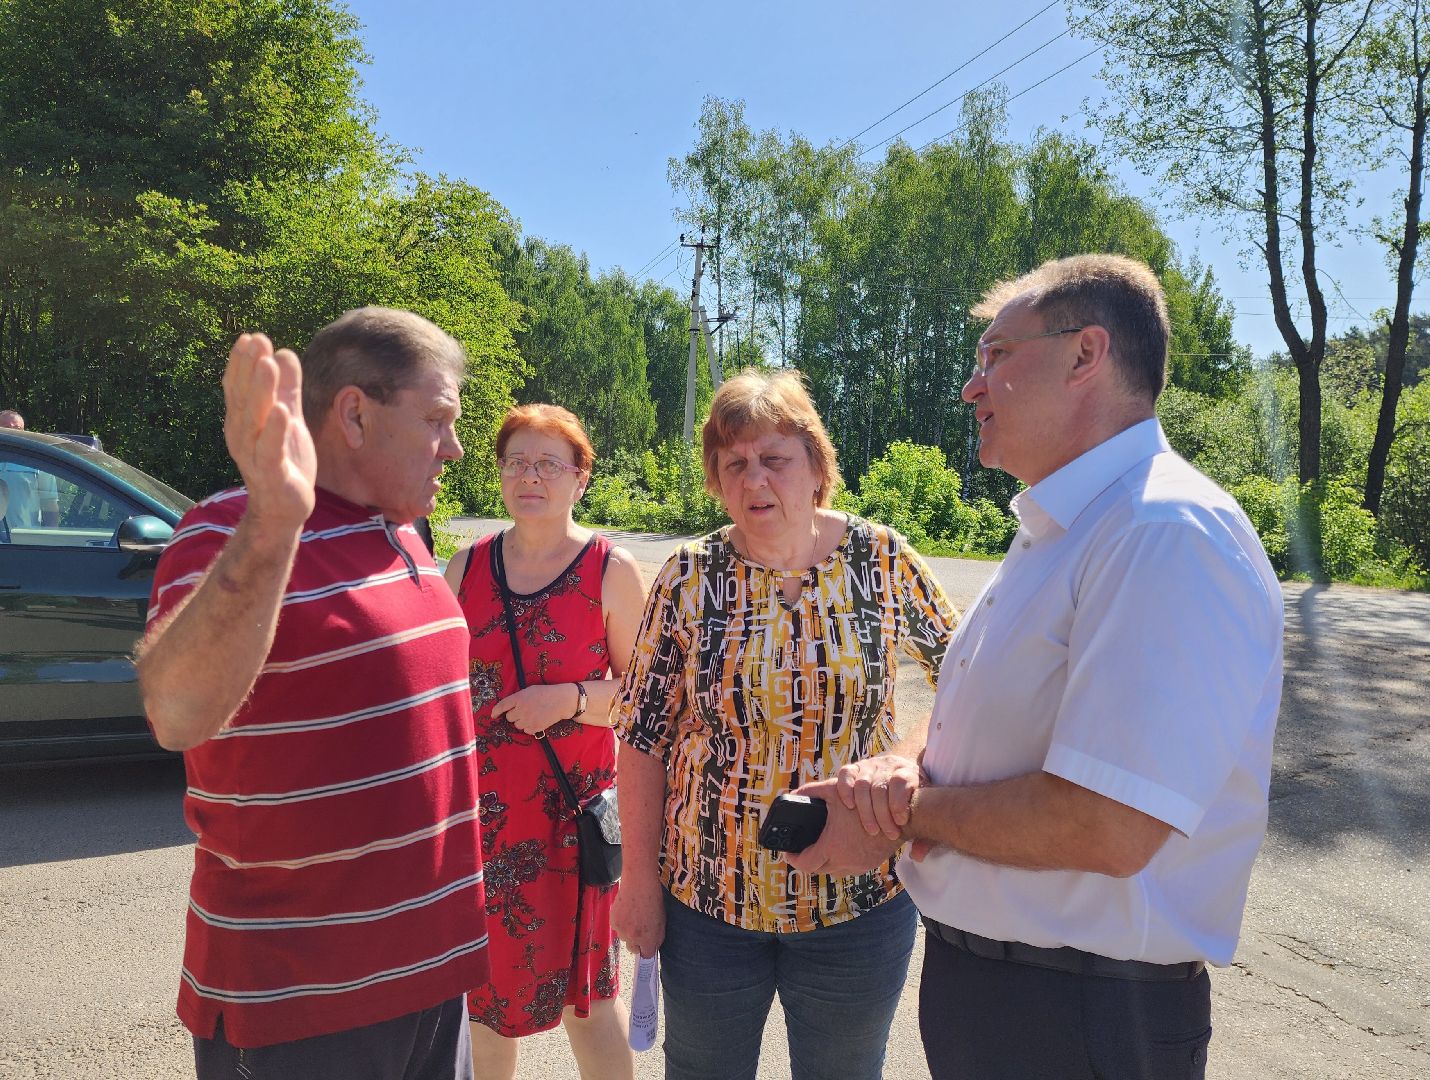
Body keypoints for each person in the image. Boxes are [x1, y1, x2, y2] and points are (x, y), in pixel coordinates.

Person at [791, 254, 1284, 1080]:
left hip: (1083, 1019)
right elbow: (978, 715)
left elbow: (1110, 823)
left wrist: (898, 818)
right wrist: (896, 767)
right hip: (1014, 999)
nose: (971, 387)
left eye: (996, 355)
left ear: (1086, 354)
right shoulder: (1073, 526)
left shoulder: (1162, 531)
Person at [136, 309, 489, 1080]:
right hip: (302, 1005)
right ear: (355, 415)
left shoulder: (402, 532)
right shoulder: (231, 529)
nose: (455, 447)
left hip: (432, 981)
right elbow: (175, 713)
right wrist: (273, 524)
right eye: (437, 420)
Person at [612, 369, 960, 1080]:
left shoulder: (881, 559)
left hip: (856, 903)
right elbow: (642, 738)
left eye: (774, 458)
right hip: (709, 902)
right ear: (716, 480)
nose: (755, 480)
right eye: (734, 464)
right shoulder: (688, 577)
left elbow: (968, 682)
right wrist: (638, 883)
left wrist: (905, 758)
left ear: (817, 466)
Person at [443, 404, 644, 1080]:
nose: (530, 476)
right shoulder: (465, 568)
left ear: (581, 478)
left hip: (570, 824)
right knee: (482, 1006)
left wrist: (568, 699)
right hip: (482, 825)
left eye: (549, 464)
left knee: (589, 1005)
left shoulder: (610, 570)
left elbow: (646, 698)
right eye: (517, 462)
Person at [0, 409, 60, 527]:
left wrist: (52, 535)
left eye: (17, 429)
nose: (11, 432)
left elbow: (50, 506)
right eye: (5, 428)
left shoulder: (37, 463)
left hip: (22, 537)